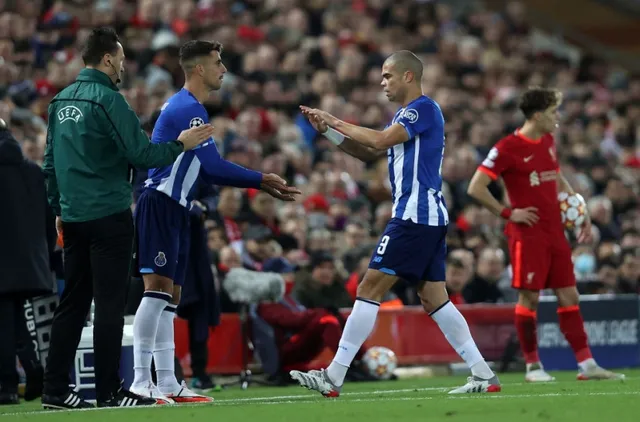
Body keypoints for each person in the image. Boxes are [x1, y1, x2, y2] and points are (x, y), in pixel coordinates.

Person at [291, 50, 500, 396]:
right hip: (427, 216)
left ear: (408, 76)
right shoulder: (405, 117)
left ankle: (333, 376)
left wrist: (335, 118)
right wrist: (329, 132)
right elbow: (369, 151)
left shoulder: (423, 108)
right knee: (434, 298)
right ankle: (482, 374)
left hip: (414, 216)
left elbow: (378, 140)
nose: (382, 82)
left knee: (369, 288)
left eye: (388, 75)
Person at [41, 28, 214, 410]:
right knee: (108, 303)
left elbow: (50, 165)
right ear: (106, 59)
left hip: (73, 217)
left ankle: (54, 390)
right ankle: (109, 391)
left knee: (72, 303)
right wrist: (181, 144)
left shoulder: (59, 102)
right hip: (108, 215)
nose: (122, 65)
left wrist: (57, 209)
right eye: (119, 58)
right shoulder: (108, 100)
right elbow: (143, 155)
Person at [131, 40, 301, 403]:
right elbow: (213, 167)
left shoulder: (191, 108)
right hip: (159, 203)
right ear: (198, 69)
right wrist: (261, 179)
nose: (224, 69)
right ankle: (138, 379)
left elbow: (204, 173)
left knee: (169, 298)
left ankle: (167, 383)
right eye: (218, 63)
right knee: (156, 290)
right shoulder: (186, 109)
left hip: (177, 207)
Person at [467, 87, 624, 382]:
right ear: (537, 115)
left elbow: (557, 176)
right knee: (530, 299)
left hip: (555, 232)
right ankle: (532, 367)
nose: (558, 118)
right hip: (527, 235)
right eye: (553, 112)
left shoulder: (548, 140)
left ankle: (587, 364)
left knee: (569, 294)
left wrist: (580, 210)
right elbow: (475, 186)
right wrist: (507, 212)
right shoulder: (507, 147)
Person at [0, 119, 56, 405]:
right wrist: (45, 256)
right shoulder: (32, 171)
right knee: (20, 319)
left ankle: (7, 385)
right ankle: (35, 373)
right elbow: (48, 220)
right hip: (31, 260)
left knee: (4, 323)